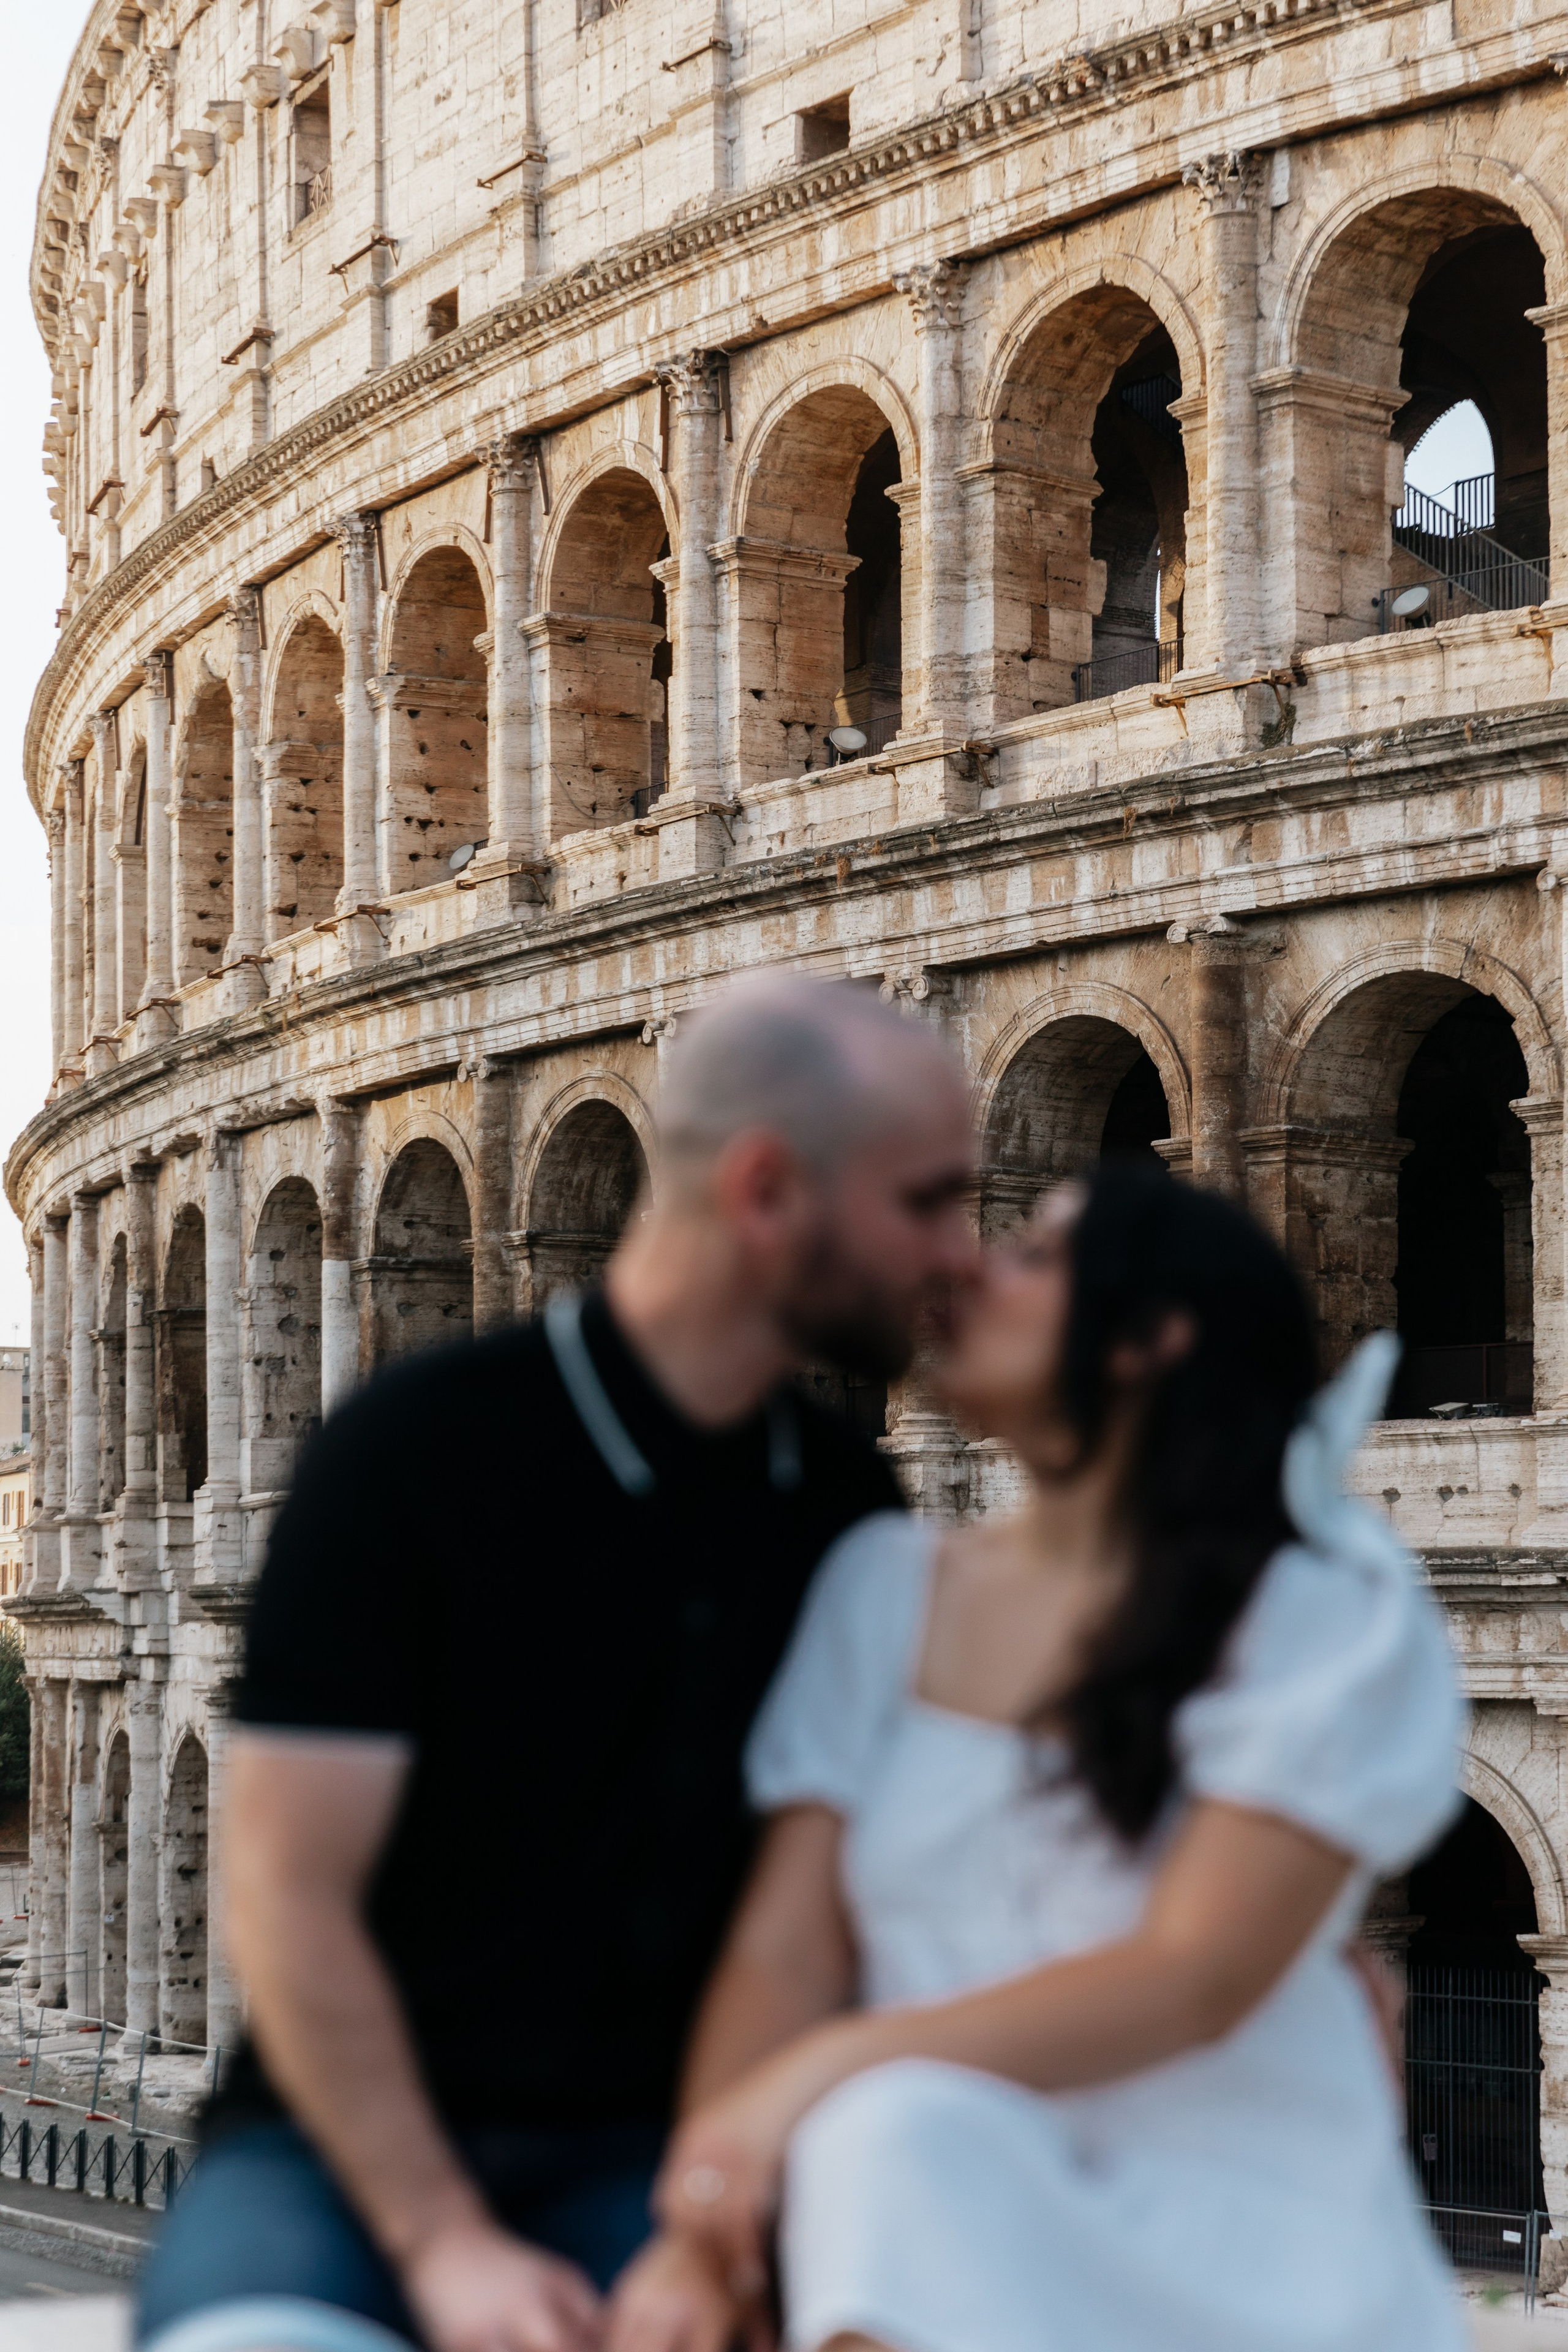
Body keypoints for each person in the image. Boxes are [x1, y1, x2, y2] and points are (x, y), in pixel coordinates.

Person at [134, 975, 978, 2352]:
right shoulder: (403, 1458)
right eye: (926, 1201)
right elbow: (290, 1901)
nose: (954, 1251)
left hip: (662, 2150)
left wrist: (712, 2215)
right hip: (339, 2157)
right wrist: (445, 2243)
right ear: (767, 1188)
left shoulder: (842, 1506)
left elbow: (815, 1916)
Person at [612, 1166, 1468, 2352]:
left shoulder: (1320, 1615)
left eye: (1032, 1254)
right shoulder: (879, 1589)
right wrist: (705, 2222)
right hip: (934, 2183)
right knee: (882, 2153)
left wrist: (825, 2076)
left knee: (881, 2139)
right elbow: (784, 1946)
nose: (965, 1266)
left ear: (1147, 1338)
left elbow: (1192, 1972)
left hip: (1234, 2232)